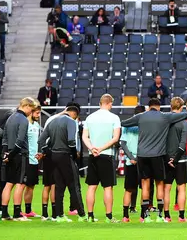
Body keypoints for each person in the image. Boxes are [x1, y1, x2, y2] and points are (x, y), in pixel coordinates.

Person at [120, 98, 187, 222]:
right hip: (158, 155)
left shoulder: (141, 117)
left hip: (142, 156)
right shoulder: (164, 117)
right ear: (159, 107)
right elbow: (185, 114)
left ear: (148, 106)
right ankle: (160, 216)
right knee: (159, 185)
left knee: (145, 185)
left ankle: (145, 216)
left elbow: (124, 123)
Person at [38, 104, 86, 222]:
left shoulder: (52, 122)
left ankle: (59, 215)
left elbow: (41, 140)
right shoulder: (70, 121)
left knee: (59, 187)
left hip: (53, 157)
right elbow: (71, 141)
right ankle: (82, 215)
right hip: (65, 155)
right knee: (74, 186)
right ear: (74, 114)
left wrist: (47, 151)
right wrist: (74, 155)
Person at [82, 94, 122, 222]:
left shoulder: (90, 117)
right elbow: (115, 138)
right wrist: (101, 148)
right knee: (108, 187)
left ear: (100, 103)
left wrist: (92, 148)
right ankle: (109, 217)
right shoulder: (114, 118)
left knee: (91, 186)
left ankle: (90, 216)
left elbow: (84, 137)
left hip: (92, 155)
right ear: (110, 103)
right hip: (106, 155)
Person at [163, 97, 187, 222]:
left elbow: (162, 142)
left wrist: (169, 158)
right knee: (181, 188)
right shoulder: (184, 122)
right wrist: (176, 159)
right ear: (182, 107)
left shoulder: (165, 121)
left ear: (170, 106)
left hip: (166, 159)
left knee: (166, 188)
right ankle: (181, 216)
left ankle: (167, 216)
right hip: (181, 159)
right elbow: (183, 143)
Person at [120, 105, 144, 222]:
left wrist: (131, 157)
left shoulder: (127, 125)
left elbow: (123, 143)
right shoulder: (145, 124)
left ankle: (125, 216)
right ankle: (143, 216)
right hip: (144, 159)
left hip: (131, 161)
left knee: (129, 189)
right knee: (145, 188)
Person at [21, 103, 42, 218]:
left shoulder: (37, 126)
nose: (39, 115)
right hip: (25, 160)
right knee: (22, 185)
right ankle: (17, 210)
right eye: (37, 113)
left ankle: (28, 211)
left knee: (31, 185)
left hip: (34, 160)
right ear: (31, 112)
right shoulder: (25, 124)